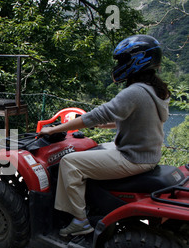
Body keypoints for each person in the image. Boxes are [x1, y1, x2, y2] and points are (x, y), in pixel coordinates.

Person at [38, 34, 170, 237]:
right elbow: (133, 119)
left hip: (132, 158)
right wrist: (100, 125)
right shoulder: (157, 91)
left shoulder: (134, 92)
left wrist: (55, 129)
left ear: (136, 61)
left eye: (122, 60)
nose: (119, 65)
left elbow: (96, 115)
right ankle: (91, 204)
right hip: (148, 155)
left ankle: (79, 221)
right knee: (96, 148)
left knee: (69, 163)